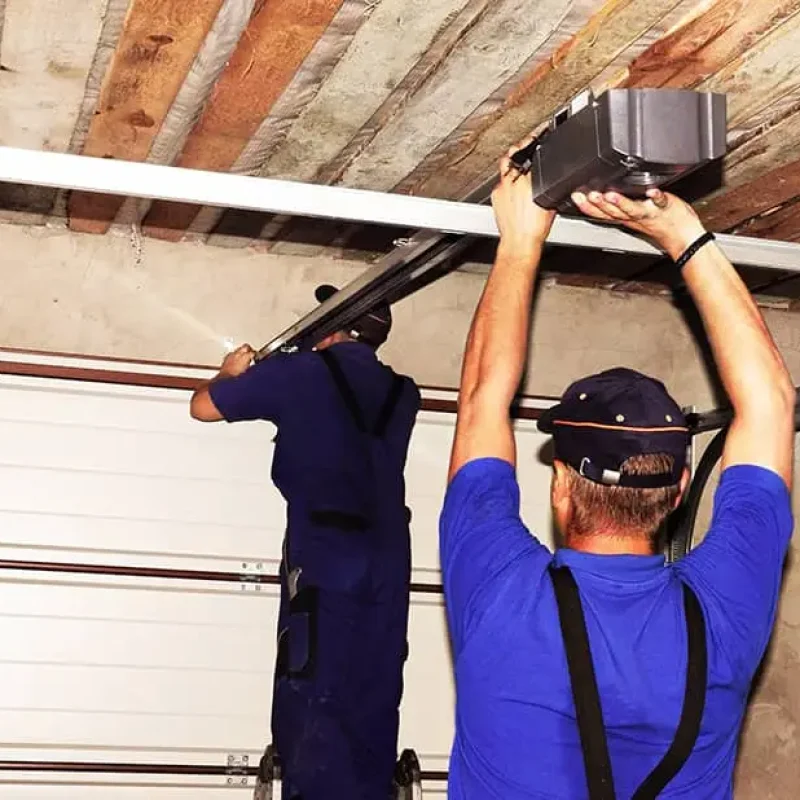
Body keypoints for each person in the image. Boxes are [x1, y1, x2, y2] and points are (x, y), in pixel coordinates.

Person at [441, 147, 795, 798]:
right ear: (680, 490)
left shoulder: (499, 591)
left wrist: (520, 240)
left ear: (559, 488)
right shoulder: (724, 609)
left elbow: (481, 400)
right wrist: (685, 237)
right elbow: (772, 403)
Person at [191, 286, 421, 800]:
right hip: (388, 554)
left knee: (314, 681)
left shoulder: (302, 373)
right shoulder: (404, 393)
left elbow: (203, 408)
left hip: (325, 547)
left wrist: (231, 373)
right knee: (375, 682)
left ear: (333, 328)